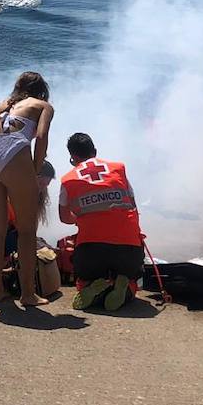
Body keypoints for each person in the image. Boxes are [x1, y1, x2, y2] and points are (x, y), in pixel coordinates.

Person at [0, 71, 52, 306]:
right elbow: (41, 137)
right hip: (15, 154)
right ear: (41, 90)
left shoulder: (1, 104)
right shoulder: (43, 105)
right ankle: (28, 294)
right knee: (27, 230)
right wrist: (35, 168)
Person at [57, 133, 145, 311]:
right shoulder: (118, 169)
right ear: (94, 151)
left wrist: (83, 219)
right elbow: (133, 205)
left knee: (84, 282)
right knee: (131, 279)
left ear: (72, 157)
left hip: (91, 248)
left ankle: (93, 286)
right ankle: (125, 286)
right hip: (128, 247)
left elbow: (64, 217)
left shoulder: (68, 180)